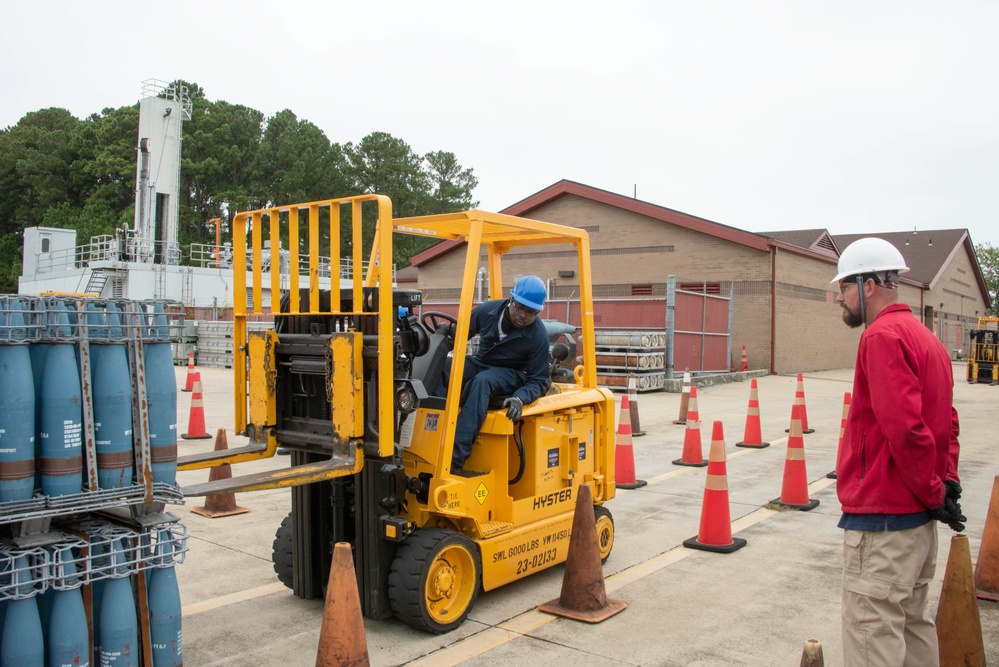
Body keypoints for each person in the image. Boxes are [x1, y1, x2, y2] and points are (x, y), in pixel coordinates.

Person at [832, 237, 965, 666]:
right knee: (911, 627)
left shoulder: (881, 336)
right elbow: (947, 421)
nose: (840, 298)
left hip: (885, 522)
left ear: (869, 285)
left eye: (845, 288)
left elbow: (906, 429)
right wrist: (946, 484)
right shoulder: (927, 340)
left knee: (873, 634)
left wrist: (932, 490)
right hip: (917, 527)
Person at [447, 275, 551, 476]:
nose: (523, 315)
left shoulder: (538, 336)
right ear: (511, 300)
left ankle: (453, 460)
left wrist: (520, 398)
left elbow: (540, 380)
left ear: (538, 312)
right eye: (520, 307)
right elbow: (458, 335)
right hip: (480, 363)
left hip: (511, 374)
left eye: (530, 312)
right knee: (444, 367)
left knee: (481, 383)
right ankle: (426, 437)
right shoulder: (488, 311)